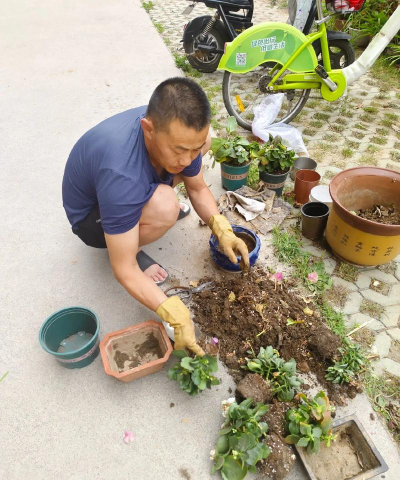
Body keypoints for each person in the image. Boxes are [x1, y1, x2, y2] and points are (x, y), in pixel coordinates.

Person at [62, 77, 250, 356]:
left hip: (123, 187)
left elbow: (197, 187)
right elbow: (123, 270)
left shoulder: (171, 126)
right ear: (148, 129)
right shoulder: (121, 174)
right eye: (180, 150)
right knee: (165, 206)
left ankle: (145, 207)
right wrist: (169, 309)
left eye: (192, 150)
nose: (187, 160)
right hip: (92, 219)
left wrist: (222, 228)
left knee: (203, 145)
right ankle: (132, 242)